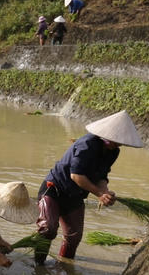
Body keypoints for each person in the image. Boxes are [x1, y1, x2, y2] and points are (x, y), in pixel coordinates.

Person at [35, 110, 143, 264]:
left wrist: (105, 192)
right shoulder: (86, 145)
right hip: (54, 190)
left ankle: (64, 266)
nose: (119, 144)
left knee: (74, 237)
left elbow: (102, 176)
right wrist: (99, 193)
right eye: (116, 140)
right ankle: (38, 266)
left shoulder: (113, 152)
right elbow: (76, 175)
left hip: (75, 195)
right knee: (48, 229)